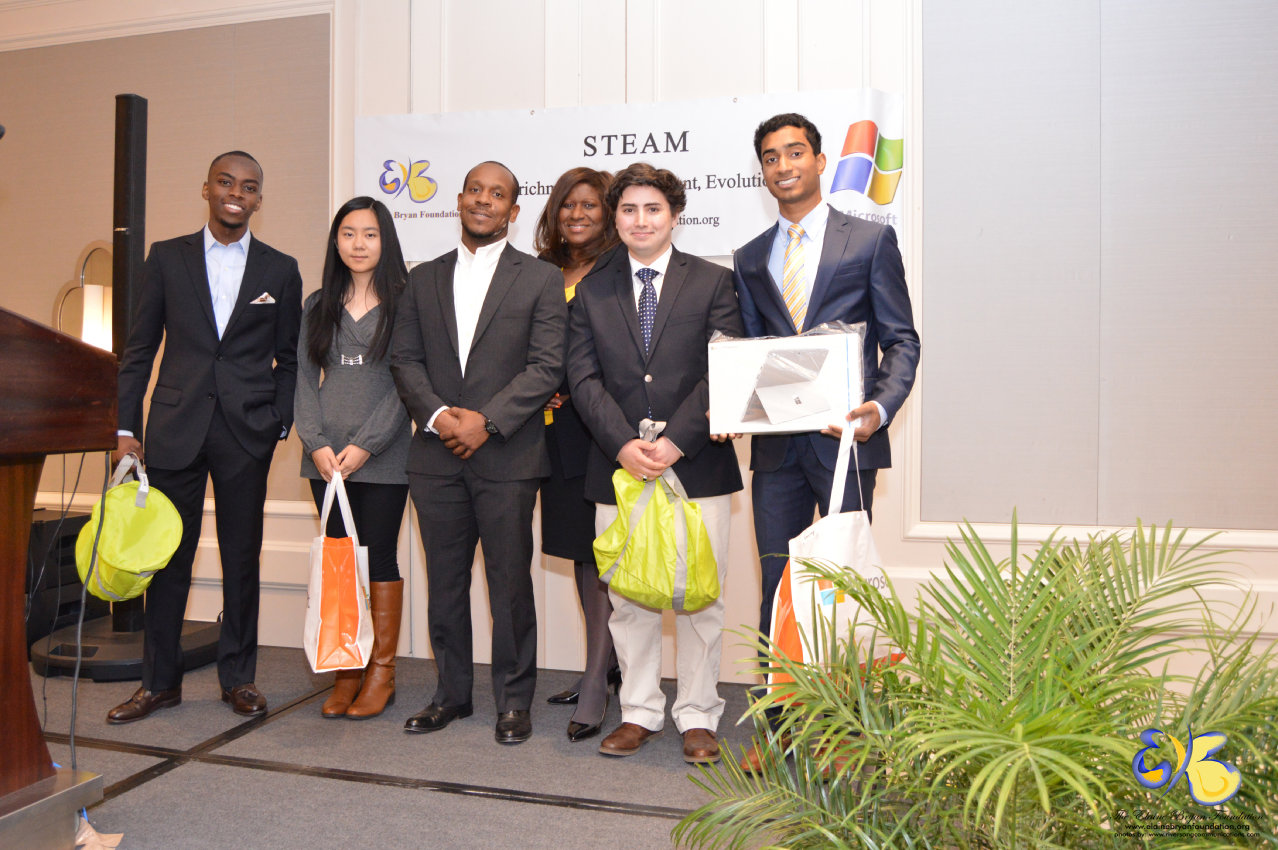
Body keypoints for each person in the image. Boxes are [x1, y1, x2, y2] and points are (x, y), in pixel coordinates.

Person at [732, 113, 920, 767]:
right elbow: (751, 352)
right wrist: (732, 403)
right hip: (777, 450)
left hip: (847, 444)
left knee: (842, 586)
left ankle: (847, 734)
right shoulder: (750, 257)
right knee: (777, 587)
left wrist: (880, 407)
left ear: (818, 161)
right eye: (770, 157)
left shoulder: (868, 240)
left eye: (794, 153)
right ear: (762, 171)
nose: (783, 166)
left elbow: (902, 339)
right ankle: (778, 729)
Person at [108, 151, 303, 723]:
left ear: (259, 199)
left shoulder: (280, 268)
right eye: (225, 182)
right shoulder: (167, 258)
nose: (236, 193)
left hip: (247, 433)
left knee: (242, 558)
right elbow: (139, 351)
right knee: (168, 558)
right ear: (206, 190)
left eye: (248, 186)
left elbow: (289, 359)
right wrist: (125, 429)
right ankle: (158, 684)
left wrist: (278, 422)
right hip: (175, 428)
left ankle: (238, 678)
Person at [567, 162, 744, 764]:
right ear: (615, 218)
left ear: (674, 216)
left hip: (697, 465)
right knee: (629, 599)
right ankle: (639, 711)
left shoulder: (714, 282)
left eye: (653, 209)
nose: (640, 221)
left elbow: (724, 367)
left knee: (700, 599)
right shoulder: (593, 290)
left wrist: (677, 441)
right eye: (628, 210)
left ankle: (698, 715)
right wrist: (623, 443)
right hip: (619, 468)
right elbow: (582, 377)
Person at [390, 161, 566, 745]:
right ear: (460, 200)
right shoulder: (422, 278)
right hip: (435, 455)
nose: (483, 200)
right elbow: (404, 359)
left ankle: (513, 701)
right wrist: (441, 418)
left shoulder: (540, 278)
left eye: (497, 194)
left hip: (508, 456)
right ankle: (451, 694)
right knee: (444, 583)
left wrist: (486, 422)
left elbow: (547, 366)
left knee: (509, 584)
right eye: (474, 190)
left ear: (513, 211)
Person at [295, 196, 411, 719]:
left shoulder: (406, 303)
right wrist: (315, 442)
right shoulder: (318, 303)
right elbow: (302, 379)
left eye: (369, 234)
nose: (358, 244)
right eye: (348, 233)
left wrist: (368, 444)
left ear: (385, 241)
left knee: (379, 555)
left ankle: (381, 672)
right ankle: (346, 667)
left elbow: (408, 383)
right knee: (340, 559)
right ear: (335, 241)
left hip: (384, 455)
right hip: (325, 460)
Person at [531, 167, 621, 742]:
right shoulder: (540, 271)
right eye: (568, 204)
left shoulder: (620, 268)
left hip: (605, 430)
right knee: (581, 554)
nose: (578, 214)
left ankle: (595, 678)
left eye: (590, 204)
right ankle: (605, 666)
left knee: (605, 556)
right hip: (553, 432)